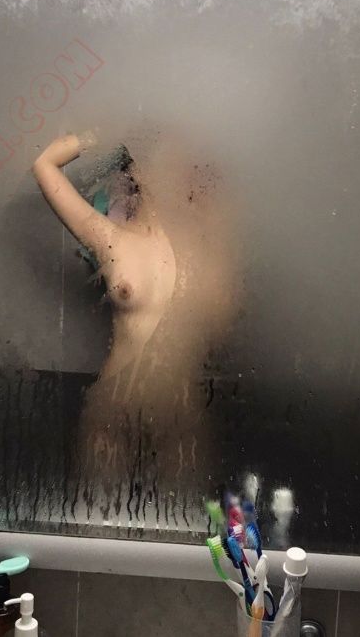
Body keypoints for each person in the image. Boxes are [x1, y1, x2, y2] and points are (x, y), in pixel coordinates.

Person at [31, 128, 240, 529]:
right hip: (112, 413)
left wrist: (215, 213)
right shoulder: (110, 237)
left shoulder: (207, 250)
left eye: (185, 162)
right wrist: (105, 126)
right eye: (162, 158)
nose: (175, 171)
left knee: (186, 540)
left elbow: (223, 320)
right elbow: (45, 164)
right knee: (94, 533)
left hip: (183, 418)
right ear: (139, 170)